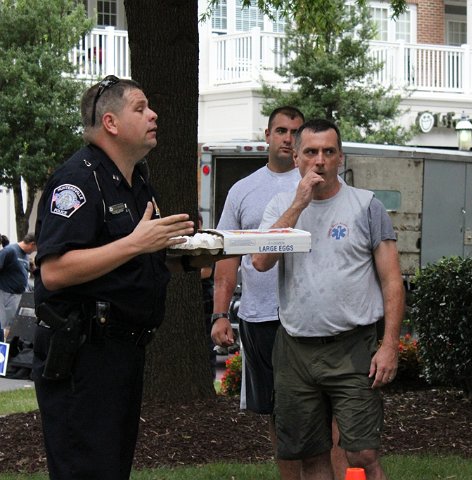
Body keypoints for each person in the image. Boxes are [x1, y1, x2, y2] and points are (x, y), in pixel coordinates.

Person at [31, 75, 211, 479]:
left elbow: (133, 261)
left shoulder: (136, 180)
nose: (153, 115)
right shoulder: (78, 181)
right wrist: (135, 243)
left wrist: (191, 258)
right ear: (110, 123)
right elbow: (54, 272)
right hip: (84, 355)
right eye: (140, 108)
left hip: (123, 352)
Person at [252, 119, 405, 480]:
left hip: (352, 347)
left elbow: (392, 281)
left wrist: (389, 345)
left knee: (362, 453)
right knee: (311, 456)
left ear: (340, 157)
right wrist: (298, 204)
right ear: (296, 158)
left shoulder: (366, 206)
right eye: (310, 152)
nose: (319, 160)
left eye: (328, 152)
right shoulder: (280, 207)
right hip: (296, 350)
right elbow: (260, 261)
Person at [211, 105, 322, 480]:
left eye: (295, 132)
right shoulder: (243, 190)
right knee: (277, 412)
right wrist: (220, 314)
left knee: (315, 408)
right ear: (267, 136)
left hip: (306, 316)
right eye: (281, 131)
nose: (288, 139)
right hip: (259, 316)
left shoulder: (317, 183)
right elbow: (227, 256)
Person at [0, 233, 37, 342]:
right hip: (5, 293)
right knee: (3, 324)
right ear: (32, 244)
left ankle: (7, 346)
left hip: (17, 295)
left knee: (12, 325)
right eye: (35, 248)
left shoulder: (26, 256)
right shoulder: (10, 251)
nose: (34, 251)